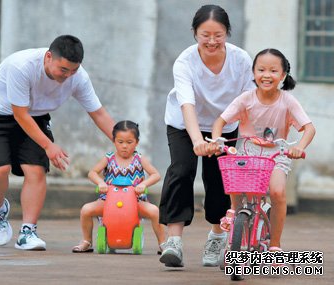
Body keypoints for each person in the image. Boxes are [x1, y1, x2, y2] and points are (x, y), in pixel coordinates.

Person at [0, 35, 115, 250]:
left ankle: (28, 232)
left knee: (36, 170)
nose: (68, 76)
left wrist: (125, 143)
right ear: (48, 57)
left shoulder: (78, 77)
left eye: (73, 70)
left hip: (35, 116)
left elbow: (99, 113)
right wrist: (48, 146)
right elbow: (19, 114)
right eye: (63, 70)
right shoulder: (22, 66)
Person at [159, 5, 256, 268]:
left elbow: (247, 102)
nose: (212, 41)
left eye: (218, 34)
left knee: (220, 180)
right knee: (181, 170)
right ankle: (174, 241)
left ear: (227, 33)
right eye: (205, 34)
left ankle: (217, 234)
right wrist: (198, 141)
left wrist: (221, 134)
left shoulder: (241, 60)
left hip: (225, 125)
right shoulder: (185, 61)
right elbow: (186, 104)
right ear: (195, 33)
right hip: (184, 124)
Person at [211, 48, 316, 252]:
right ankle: (234, 213)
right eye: (261, 70)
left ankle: (275, 245)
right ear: (253, 73)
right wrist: (217, 140)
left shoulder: (288, 101)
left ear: (283, 75)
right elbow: (221, 121)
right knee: (236, 187)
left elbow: (309, 128)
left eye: (273, 71)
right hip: (248, 151)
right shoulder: (246, 99)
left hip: (277, 154)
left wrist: (299, 147)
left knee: (277, 192)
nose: (266, 75)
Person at [72, 120, 165, 254]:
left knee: (155, 211)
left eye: (129, 142)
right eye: (120, 142)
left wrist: (143, 185)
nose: (124, 146)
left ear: (137, 142)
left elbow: (155, 175)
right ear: (114, 141)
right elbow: (92, 173)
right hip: (108, 201)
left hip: (135, 202)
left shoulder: (139, 158)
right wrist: (101, 183)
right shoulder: (109, 158)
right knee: (86, 210)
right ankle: (87, 241)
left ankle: (162, 243)